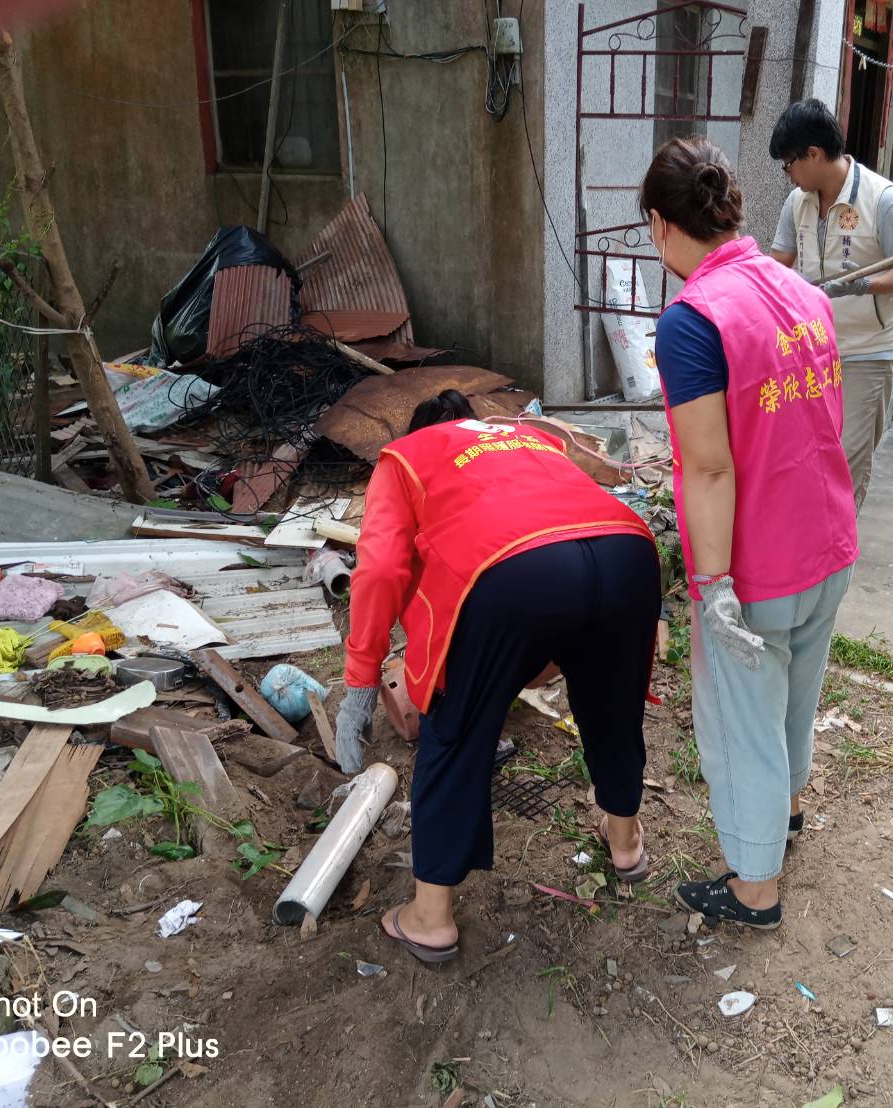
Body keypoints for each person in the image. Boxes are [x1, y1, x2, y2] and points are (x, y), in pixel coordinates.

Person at [335, 390, 661, 962]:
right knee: (611, 706)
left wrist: (362, 677)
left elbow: (383, 567)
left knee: (454, 731)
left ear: (417, 430)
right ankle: (627, 844)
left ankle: (430, 918)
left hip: (508, 570)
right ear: (473, 424)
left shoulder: (405, 457)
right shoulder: (528, 437)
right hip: (626, 551)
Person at [641, 137, 859, 929]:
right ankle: (788, 813)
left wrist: (710, 588)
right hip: (827, 542)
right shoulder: (801, 291)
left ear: (661, 225)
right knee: (794, 701)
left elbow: (706, 471)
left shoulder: (692, 322)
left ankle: (753, 887)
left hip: (757, 565)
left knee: (743, 724)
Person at [768, 99, 893, 510]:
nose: (789, 174)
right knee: (810, 452)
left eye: (789, 164)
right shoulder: (797, 203)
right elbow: (777, 265)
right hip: (812, 346)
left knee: (848, 457)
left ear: (814, 154)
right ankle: (813, 542)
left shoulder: (885, 200)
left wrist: (863, 283)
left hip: (868, 348)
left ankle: (837, 555)